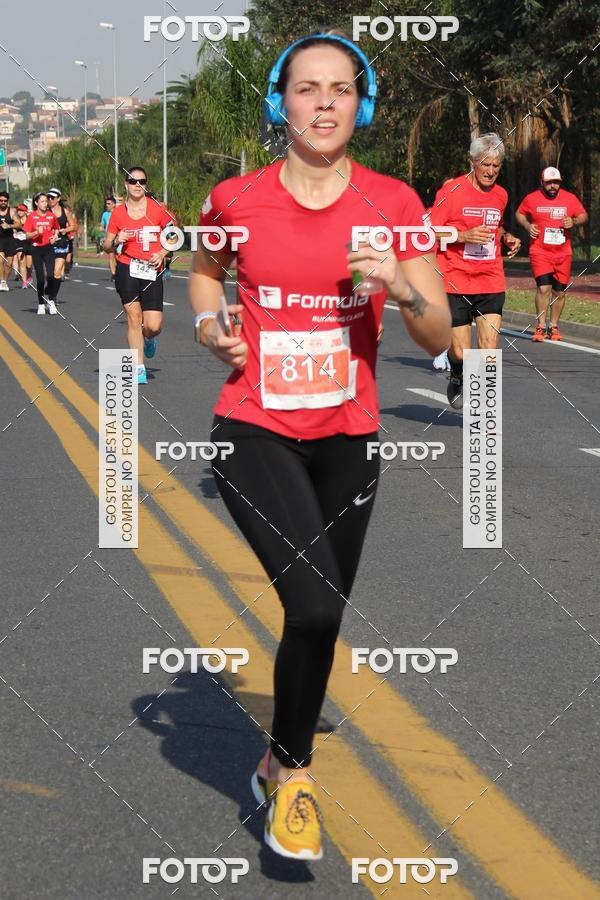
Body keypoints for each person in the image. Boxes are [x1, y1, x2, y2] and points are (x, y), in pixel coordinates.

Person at [189, 32, 451, 860]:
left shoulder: (395, 202)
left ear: (360, 106)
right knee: (314, 605)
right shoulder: (235, 198)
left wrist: (402, 284)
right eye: (308, 88)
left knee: (320, 618)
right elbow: (204, 270)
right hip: (254, 425)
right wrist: (208, 323)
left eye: (342, 89)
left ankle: (275, 759)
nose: (325, 103)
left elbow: (440, 330)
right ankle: (296, 778)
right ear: (282, 102)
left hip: (350, 436)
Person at [428, 134, 521, 408]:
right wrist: (463, 236)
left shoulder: (501, 195)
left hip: (490, 278)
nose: (491, 171)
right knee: (460, 351)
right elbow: (430, 231)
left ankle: (482, 413)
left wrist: (506, 238)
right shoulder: (451, 191)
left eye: (496, 166)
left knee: (488, 349)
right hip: (455, 279)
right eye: (485, 165)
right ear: (472, 162)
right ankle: (457, 374)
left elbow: (497, 225)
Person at [104, 166, 178, 384]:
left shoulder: (158, 209)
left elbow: (174, 235)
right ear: (126, 184)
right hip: (127, 268)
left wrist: (163, 252)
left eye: (142, 182)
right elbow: (107, 245)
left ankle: (149, 339)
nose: (138, 185)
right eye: (133, 181)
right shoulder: (118, 213)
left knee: (153, 325)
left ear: (146, 185)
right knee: (134, 318)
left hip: (151, 269)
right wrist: (117, 239)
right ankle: (138, 367)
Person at [515, 167, 588, 341]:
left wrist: (574, 221)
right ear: (542, 182)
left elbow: (583, 215)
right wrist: (527, 226)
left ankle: (553, 326)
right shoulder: (532, 198)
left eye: (556, 182)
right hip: (540, 251)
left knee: (559, 292)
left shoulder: (569, 198)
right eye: (549, 182)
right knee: (544, 288)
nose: (553, 186)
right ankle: (540, 325)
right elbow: (519, 213)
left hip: (563, 253)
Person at [23, 192, 59, 314]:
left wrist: (54, 236)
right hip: (36, 248)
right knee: (40, 279)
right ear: (36, 203)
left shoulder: (51, 216)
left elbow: (56, 228)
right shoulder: (31, 217)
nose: (45, 203)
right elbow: (26, 235)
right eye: (42, 201)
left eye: (46, 201)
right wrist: (36, 233)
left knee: (51, 276)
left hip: (48, 247)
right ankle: (41, 303)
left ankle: (51, 301)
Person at [47, 188, 76, 303]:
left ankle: (53, 296)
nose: (50, 199)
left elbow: (73, 226)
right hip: (47, 244)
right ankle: (49, 289)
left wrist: (65, 230)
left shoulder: (65, 212)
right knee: (48, 274)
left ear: (58, 198)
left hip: (62, 243)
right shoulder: (45, 212)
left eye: (52, 197)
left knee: (57, 272)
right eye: (48, 197)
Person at [0, 191, 18, 291]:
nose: (3, 202)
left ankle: (5, 281)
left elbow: (19, 224)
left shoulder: (12, 211)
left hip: (9, 239)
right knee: (0, 261)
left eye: (5, 201)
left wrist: (9, 226)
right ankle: (2, 281)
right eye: (1, 200)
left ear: (8, 201)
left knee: (9, 263)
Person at [13, 204, 33, 287]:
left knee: (29, 265)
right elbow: (13, 229)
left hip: (29, 243)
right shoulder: (16, 220)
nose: (20, 212)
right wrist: (14, 233)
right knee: (21, 261)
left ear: (25, 211)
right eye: (18, 210)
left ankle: (29, 275)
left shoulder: (30, 220)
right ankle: (24, 282)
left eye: (22, 210)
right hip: (19, 243)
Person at [100, 196, 117, 280]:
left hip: (119, 237)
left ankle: (119, 271)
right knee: (111, 255)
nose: (107, 205)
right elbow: (102, 225)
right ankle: (113, 274)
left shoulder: (118, 212)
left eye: (109, 203)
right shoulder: (105, 214)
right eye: (106, 203)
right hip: (109, 237)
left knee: (118, 256)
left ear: (114, 204)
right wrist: (102, 228)